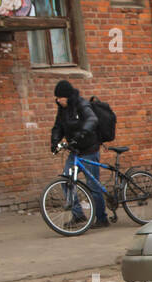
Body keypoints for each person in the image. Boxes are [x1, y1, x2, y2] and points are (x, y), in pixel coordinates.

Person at [50, 80, 108, 229]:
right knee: (66, 181)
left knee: (93, 186)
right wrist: (54, 142)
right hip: (75, 151)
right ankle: (78, 215)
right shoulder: (62, 110)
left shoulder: (82, 105)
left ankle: (102, 218)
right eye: (57, 98)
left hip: (89, 150)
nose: (58, 100)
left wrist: (83, 133)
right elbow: (58, 127)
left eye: (60, 98)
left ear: (68, 97)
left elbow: (92, 119)